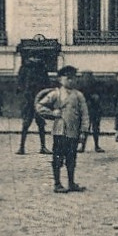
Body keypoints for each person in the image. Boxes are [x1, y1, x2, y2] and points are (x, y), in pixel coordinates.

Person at [35, 65, 91, 193]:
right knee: (57, 157)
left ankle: (71, 183)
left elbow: (85, 114)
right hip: (59, 131)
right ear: (60, 79)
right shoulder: (56, 93)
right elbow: (39, 106)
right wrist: (52, 113)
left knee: (72, 158)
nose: (70, 81)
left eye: (73, 78)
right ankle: (57, 183)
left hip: (73, 132)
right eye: (67, 78)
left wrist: (84, 131)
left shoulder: (79, 95)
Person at [15, 53, 51, 155]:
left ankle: (22, 148)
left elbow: (19, 83)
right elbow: (47, 84)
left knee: (32, 123)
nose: (35, 58)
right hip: (35, 99)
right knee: (35, 124)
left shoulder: (26, 67)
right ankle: (38, 147)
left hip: (33, 98)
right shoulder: (40, 67)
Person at [79, 70, 105, 152]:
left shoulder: (96, 86)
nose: (87, 78)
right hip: (86, 110)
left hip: (95, 110)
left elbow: (100, 97)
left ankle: (96, 146)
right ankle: (82, 146)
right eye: (86, 76)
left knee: (95, 128)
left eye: (89, 76)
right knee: (85, 128)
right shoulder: (81, 87)